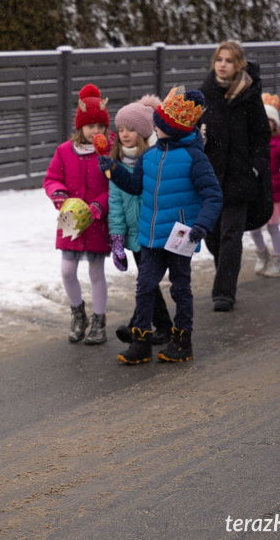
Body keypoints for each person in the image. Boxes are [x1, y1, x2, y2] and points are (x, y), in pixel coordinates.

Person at [99, 87, 223, 364]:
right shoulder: (150, 156)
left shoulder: (194, 157)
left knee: (180, 288)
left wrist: (201, 226)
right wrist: (114, 170)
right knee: (145, 287)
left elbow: (213, 196)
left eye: (161, 124)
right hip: (151, 236)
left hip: (182, 236)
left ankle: (182, 340)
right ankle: (141, 341)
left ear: (172, 128)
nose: (156, 126)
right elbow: (134, 186)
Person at [198, 40, 271, 312]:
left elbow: (262, 135)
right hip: (210, 178)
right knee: (213, 235)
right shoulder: (204, 94)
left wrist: (255, 166)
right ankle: (224, 275)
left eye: (228, 60)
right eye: (219, 59)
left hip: (240, 178)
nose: (223, 65)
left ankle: (224, 293)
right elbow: (193, 131)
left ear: (238, 64)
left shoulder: (249, 96)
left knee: (231, 235)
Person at [44, 84, 113, 345]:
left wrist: (100, 205)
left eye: (100, 126)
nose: (95, 131)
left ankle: (99, 321)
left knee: (96, 272)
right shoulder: (64, 151)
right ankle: (78, 313)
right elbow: (52, 178)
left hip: (97, 222)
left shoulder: (109, 150)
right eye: (90, 126)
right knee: (67, 270)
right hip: (71, 220)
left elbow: (115, 184)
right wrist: (59, 194)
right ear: (80, 127)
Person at [106, 95, 174, 348]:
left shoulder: (154, 159)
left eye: (131, 129)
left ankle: (139, 327)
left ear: (144, 131)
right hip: (134, 235)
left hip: (153, 231)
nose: (124, 134)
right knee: (149, 284)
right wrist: (116, 237)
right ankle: (163, 326)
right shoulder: (116, 162)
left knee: (147, 282)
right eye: (121, 129)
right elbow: (115, 202)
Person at [250, 94, 280, 277]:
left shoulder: (279, 142)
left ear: (275, 123)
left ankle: (279, 259)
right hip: (255, 191)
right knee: (253, 227)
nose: (266, 124)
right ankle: (262, 253)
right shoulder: (253, 140)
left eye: (270, 120)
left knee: (272, 227)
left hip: (273, 192)